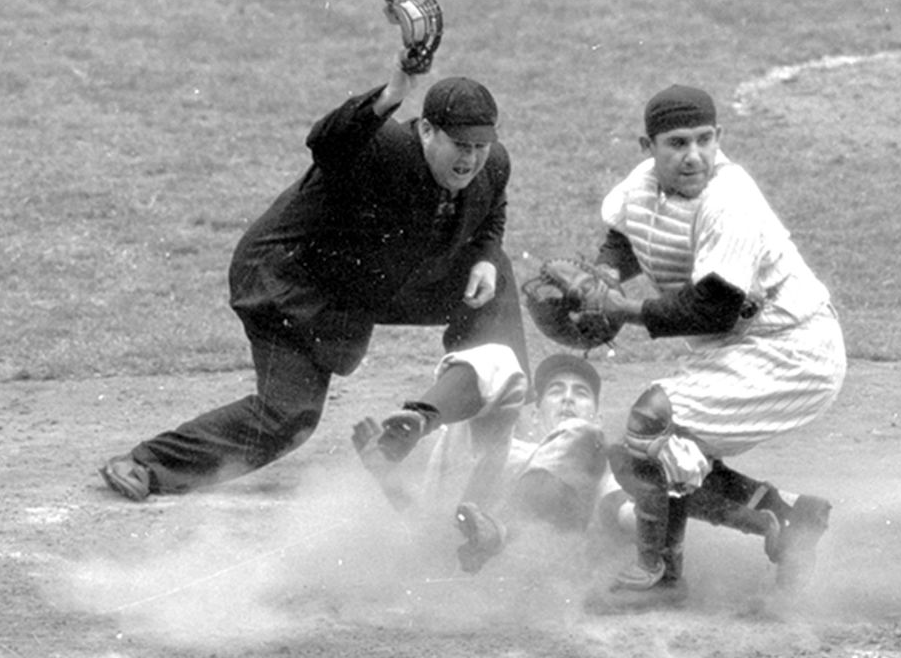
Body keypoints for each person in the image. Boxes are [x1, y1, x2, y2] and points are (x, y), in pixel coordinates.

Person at [98, 42, 528, 502]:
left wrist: (483, 254)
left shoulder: (491, 166)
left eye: (481, 146)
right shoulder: (383, 151)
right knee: (288, 418)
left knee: (494, 276)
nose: (471, 159)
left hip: (374, 277)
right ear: (425, 131)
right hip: (291, 281)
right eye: (460, 145)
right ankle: (146, 463)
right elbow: (328, 140)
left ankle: (458, 419)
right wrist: (395, 89)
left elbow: (489, 212)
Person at [580, 84, 848, 610]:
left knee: (652, 422)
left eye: (705, 140)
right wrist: (605, 275)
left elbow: (714, 307)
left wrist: (621, 309)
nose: (693, 155)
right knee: (632, 451)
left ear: (719, 138)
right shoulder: (642, 186)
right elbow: (626, 235)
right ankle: (784, 517)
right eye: (677, 143)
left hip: (796, 349)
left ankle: (660, 576)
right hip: (744, 347)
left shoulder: (731, 200)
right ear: (648, 146)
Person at [352, 347, 634, 573]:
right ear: (535, 415)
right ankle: (424, 416)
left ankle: (499, 531)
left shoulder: (603, 468)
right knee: (502, 357)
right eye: (556, 391)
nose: (568, 400)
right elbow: (427, 524)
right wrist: (386, 479)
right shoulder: (508, 451)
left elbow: (629, 515)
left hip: (531, 564)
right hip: (460, 550)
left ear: (598, 416)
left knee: (583, 435)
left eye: (581, 393)